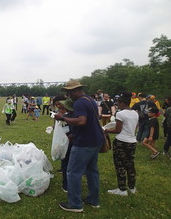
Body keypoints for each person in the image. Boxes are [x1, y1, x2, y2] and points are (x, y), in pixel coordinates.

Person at [55, 80, 104, 213]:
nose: (68, 95)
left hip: (84, 143)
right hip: (95, 140)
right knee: (92, 170)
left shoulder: (79, 102)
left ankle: (75, 204)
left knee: (73, 172)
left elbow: (82, 121)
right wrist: (74, 134)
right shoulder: (90, 100)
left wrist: (63, 118)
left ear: (74, 91)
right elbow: (89, 121)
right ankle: (94, 200)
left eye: (68, 92)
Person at [105, 93, 139, 196]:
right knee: (130, 164)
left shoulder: (120, 114)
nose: (117, 105)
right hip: (132, 141)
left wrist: (106, 130)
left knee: (120, 165)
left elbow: (117, 130)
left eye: (118, 103)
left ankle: (122, 189)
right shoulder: (135, 113)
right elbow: (135, 127)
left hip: (121, 142)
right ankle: (132, 187)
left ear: (123, 103)